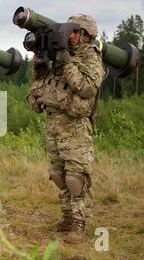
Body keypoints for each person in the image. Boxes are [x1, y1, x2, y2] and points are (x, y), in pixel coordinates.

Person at [26, 14, 106, 244]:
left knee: (76, 177)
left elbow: (87, 88)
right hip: (54, 123)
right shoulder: (61, 55)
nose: (67, 34)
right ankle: (68, 217)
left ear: (85, 35)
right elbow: (46, 86)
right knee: (59, 175)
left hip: (75, 126)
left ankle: (79, 225)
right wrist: (40, 68)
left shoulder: (91, 58)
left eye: (73, 31)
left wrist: (66, 60)